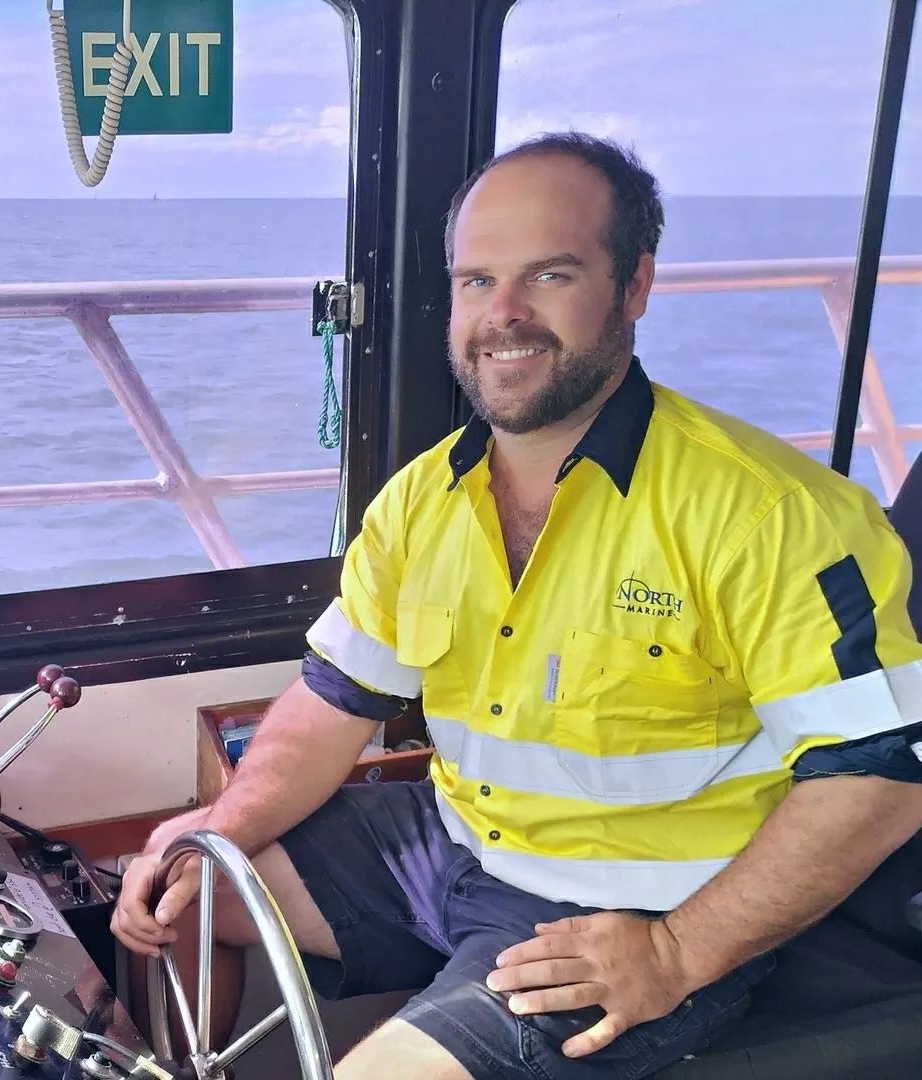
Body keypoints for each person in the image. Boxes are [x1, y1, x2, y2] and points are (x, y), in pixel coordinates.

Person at [111, 132, 922, 1079]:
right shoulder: (420, 503)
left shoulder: (770, 514)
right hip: (452, 842)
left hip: (626, 911)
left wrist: (677, 953)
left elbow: (883, 782)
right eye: (477, 280)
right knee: (185, 886)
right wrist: (215, 828)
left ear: (633, 285)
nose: (503, 314)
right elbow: (330, 706)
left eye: (549, 274)